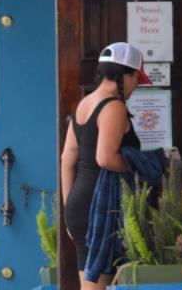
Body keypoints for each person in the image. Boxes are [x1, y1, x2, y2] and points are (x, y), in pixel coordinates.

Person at [60, 43, 152, 290]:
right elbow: (106, 158)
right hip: (101, 206)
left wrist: (69, 207)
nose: (135, 87)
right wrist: (142, 165)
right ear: (125, 75)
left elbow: (68, 159)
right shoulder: (113, 106)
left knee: (90, 287)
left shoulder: (84, 104)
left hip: (80, 201)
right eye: (136, 79)